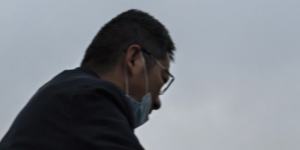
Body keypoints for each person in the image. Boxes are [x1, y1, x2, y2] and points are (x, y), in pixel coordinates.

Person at [0, 9, 175, 150]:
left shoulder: (66, 93)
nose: (157, 102)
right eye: (162, 78)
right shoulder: (89, 100)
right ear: (134, 58)